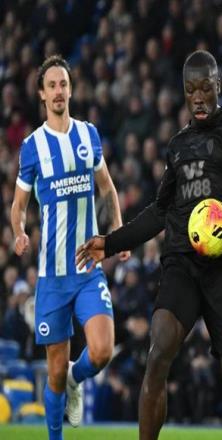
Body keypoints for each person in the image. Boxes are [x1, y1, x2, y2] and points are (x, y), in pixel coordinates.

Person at [76, 50, 222, 439]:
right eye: (191, 90)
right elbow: (160, 211)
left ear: (218, 86)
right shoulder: (178, 145)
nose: (199, 97)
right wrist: (111, 243)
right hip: (181, 265)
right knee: (158, 352)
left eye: (205, 88)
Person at [10, 55, 130, 440]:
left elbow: (107, 188)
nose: (59, 91)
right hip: (52, 277)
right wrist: (18, 232)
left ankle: (80, 378)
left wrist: (117, 231)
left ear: (71, 90)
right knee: (55, 373)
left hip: (87, 269)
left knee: (102, 351)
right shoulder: (32, 147)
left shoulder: (88, 135)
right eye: (52, 86)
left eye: (64, 84)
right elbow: (18, 205)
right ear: (42, 95)